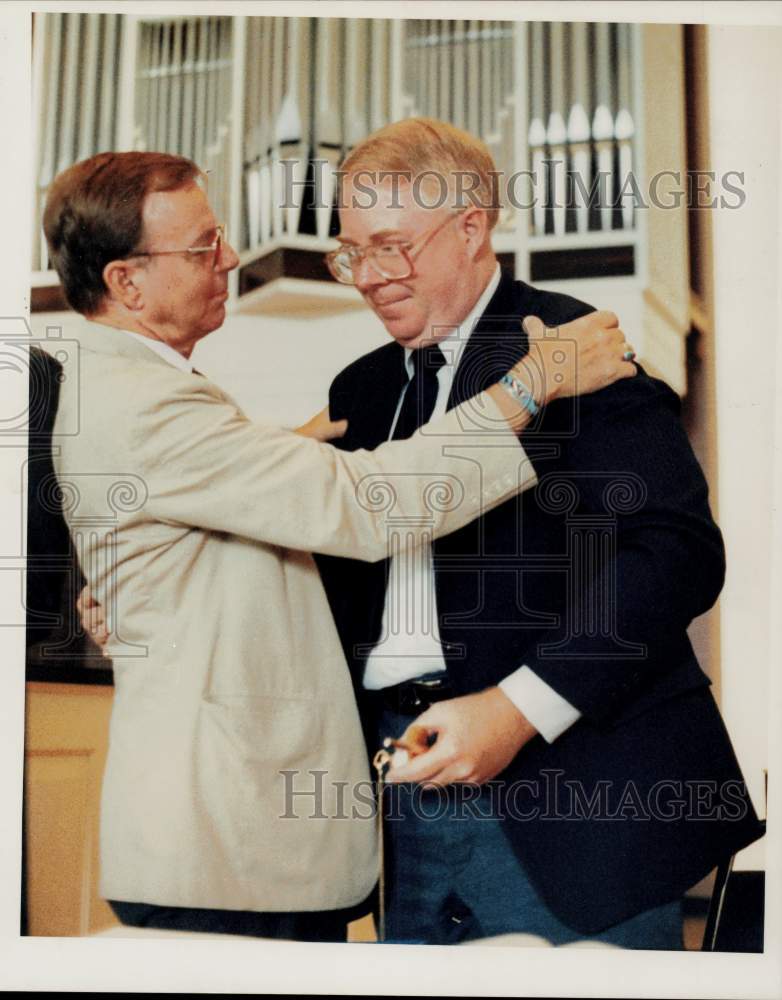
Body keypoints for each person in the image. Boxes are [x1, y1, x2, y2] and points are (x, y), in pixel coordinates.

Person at [41, 150, 634, 942]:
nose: (231, 258)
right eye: (201, 247)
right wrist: (533, 383)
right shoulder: (146, 402)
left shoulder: (151, 392)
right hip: (226, 841)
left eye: (220, 235)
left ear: (472, 228)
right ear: (126, 282)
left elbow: (669, 551)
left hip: (281, 831)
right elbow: (363, 505)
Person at [313, 118, 765, 947]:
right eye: (351, 253)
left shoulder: (577, 345)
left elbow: (676, 553)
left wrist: (518, 710)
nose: (369, 277)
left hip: (577, 801)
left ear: (472, 228)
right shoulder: (361, 388)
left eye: (390, 246)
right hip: (396, 797)